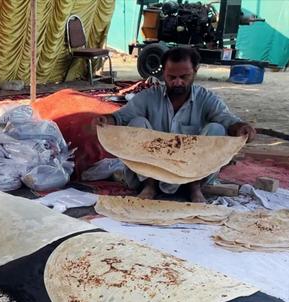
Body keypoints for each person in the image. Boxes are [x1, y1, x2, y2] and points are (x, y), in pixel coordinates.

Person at [95, 46, 256, 202]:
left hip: (193, 173)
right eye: (172, 77)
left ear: (195, 71)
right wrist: (105, 120)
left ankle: (195, 188)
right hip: (152, 171)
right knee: (137, 123)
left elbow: (226, 119)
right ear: (163, 73)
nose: (178, 82)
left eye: (184, 77)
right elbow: (121, 117)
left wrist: (241, 128)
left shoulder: (205, 98)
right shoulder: (149, 96)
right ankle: (149, 186)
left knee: (217, 129)